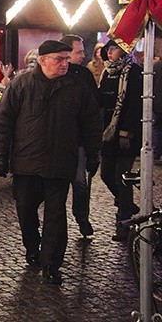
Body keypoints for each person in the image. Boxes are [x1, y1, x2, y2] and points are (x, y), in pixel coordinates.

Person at [0, 40, 102, 285]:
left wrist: (93, 153)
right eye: (59, 59)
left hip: (60, 163)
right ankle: (32, 247)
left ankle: (51, 263)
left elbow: (91, 123)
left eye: (66, 58)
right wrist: (0, 155)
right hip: (26, 162)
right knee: (26, 210)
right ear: (42, 60)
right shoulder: (21, 85)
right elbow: (3, 121)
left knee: (55, 215)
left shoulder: (77, 87)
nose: (65, 63)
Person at [99, 40, 143, 241]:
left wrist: (126, 131)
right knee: (106, 174)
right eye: (108, 49)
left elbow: (135, 102)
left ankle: (123, 222)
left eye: (114, 48)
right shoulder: (108, 72)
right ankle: (128, 205)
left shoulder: (133, 71)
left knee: (121, 176)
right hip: (108, 131)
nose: (110, 52)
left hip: (126, 132)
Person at [58, 34, 101, 237]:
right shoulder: (55, 75)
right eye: (79, 52)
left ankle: (81, 217)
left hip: (79, 141)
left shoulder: (84, 76)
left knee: (79, 182)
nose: (83, 55)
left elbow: (94, 110)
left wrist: (93, 148)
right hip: (57, 140)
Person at [153, 57, 162, 164]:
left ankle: (156, 153)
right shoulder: (156, 65)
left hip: (156, 102)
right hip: (157, 102)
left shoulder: (156, 65)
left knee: (156, 129)